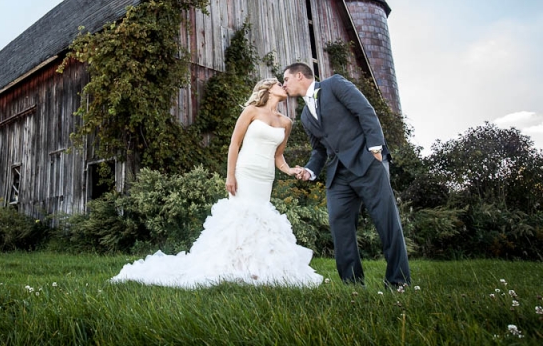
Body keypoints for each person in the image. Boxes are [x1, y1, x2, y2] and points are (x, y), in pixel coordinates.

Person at [111, 78, 324, 288]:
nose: (284, 86)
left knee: (260, 218)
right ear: (267, 89)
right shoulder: (251, 111)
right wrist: (230, 175)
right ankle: (229, 265)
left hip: (265, 177)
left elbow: (279, 156)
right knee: (239, 217)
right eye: (279, 84)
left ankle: (254, 269)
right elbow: (235, 143)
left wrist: (290, 170)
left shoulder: (286, 122)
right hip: (246, 171)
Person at [282, 62, 411, 288]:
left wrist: (375, 148)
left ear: (299, 76)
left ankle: (398, 281)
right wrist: (310, 170)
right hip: (338, 174)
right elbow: (319, 150)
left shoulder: (335, 85)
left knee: (386, 222)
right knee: (339, 223)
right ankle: (352, 284)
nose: (284, 85)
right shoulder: (305, 117)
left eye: (286, 80)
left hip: (368, 163)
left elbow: (365, 111)